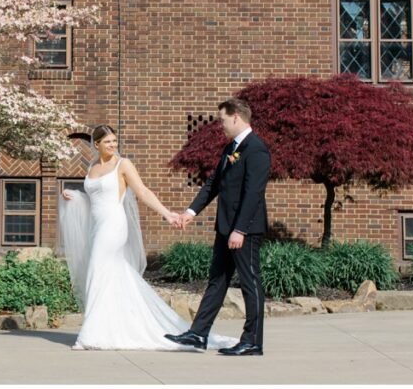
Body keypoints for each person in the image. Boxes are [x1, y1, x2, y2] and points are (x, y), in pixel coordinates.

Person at [59, 124, 238, 351]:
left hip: (113, 226)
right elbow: (93, 199)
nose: (113, 145)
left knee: (96, 270)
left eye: (115, 141)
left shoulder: (123, 165)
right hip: (97, 226)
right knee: (111, 275)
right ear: (96, 145)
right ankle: (112, 328)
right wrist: (74, 196)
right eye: (107, 142)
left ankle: (89, 334)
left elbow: (142, 191)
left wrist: (167, 214)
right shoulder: (92, 166)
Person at [165, 98, 271, 357]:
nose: (221, 124)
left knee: (250, 282)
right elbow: (214, 183)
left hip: (243, 230)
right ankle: (199, 333)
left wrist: (241, 230)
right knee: (217, 280)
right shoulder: (230, 148)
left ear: (236, 117)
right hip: (225, 227)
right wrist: (190, 212)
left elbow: (253, 193)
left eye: (223, 119)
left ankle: (252, 341)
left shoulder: (256, 149)